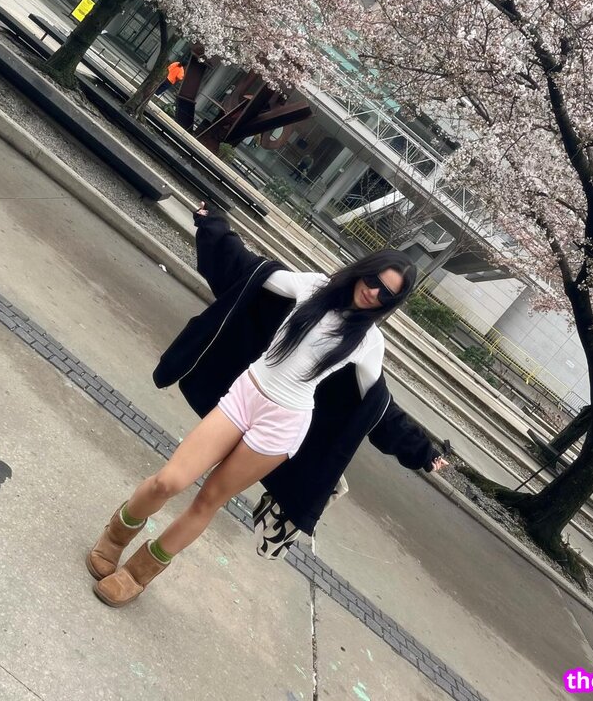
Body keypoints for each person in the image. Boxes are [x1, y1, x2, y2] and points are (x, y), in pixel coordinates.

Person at [87, 203, 448, 607]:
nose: (374, 292)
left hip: (283, 426)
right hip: (245, 395)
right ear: (365, 269)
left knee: (209, 500)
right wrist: (212, 223)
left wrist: (422, 451)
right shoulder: (312, 287)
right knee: (169, 481)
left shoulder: (368, 343)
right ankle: (114, 537)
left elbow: (379, 406)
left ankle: (138, 573)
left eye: (387, 294)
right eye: (375, 280)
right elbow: (247, 269)